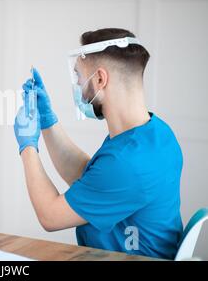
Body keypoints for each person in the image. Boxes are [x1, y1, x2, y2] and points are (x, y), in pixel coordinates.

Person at [13, 28, 183, 259]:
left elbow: (50, 216)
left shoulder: (128, 163)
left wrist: (27, 146)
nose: (77, 87)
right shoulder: (154, 134)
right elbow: (91, 178)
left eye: (78, 76)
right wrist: (47, 121)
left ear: (100, 79)